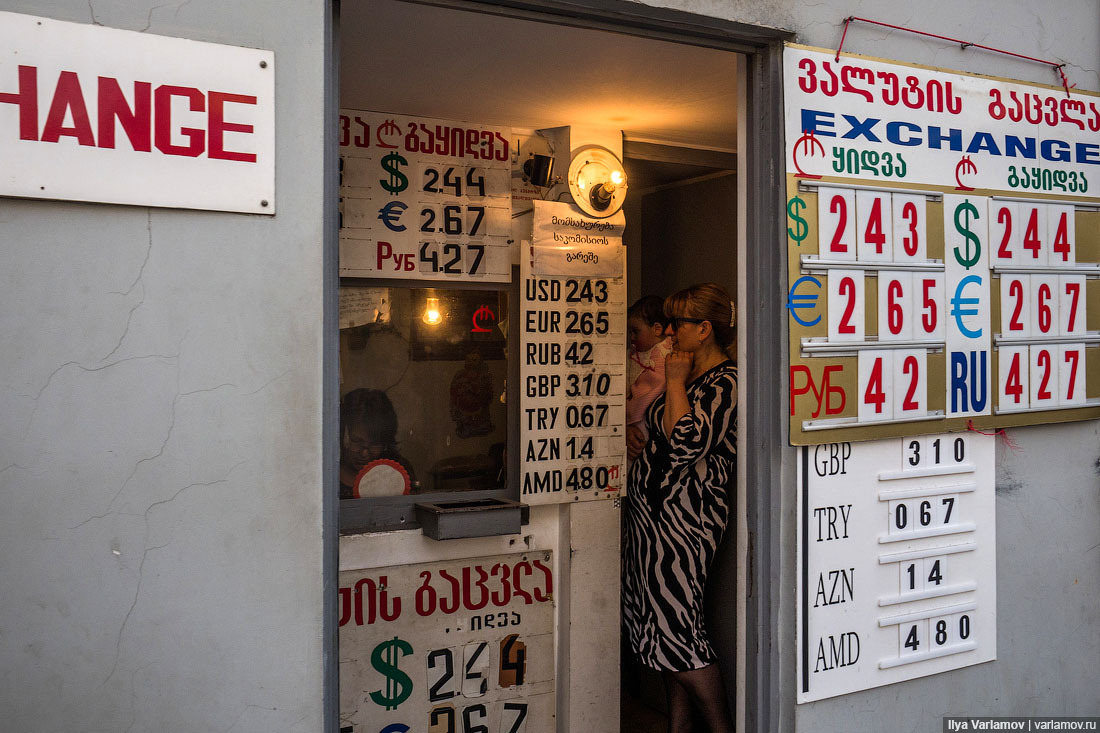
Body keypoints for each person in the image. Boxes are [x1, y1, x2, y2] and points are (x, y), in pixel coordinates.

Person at [622, 283, 738, 733]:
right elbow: (659, 431)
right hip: (653, 525)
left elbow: (686, 440)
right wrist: (636, 438)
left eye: (679, 324)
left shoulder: (725, 383)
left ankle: (721, 727)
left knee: (679, 633)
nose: (670, 332)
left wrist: (672, 380)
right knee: (663, 638)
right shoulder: (689, 377)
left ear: (704, 330)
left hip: (683, 527)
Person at [340, 388, 417, 498]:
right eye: (356, 441)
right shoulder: (327, 473)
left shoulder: (399, 471)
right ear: (342, 436)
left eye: (374, 444)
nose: (364, 453)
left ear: (385, 442)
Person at [626, 295, 673, 464]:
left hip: (647, 420)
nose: (631, 337)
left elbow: (654, 384)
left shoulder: (663, 354)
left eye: (636, 331)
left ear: (657, 329)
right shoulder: (636, 352)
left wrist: (628, 412)